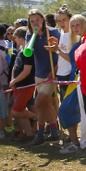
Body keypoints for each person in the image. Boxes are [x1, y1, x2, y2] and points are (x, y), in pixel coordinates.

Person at [26, 9, 61, 146]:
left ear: (43, 20)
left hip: (52, 74)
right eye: (32, 21)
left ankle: (40, 134)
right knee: (46, 105)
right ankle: (54, 133)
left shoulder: (53, 32)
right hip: (39, 74)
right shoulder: (30, 35)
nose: (35, 23)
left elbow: (61, 51)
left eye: (37, 20)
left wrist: (56, 69)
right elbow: (28, 52)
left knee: (38, 102)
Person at [54, 14, 86, 155]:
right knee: (65, 111)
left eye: (77, 25)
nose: (74, 28)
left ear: (84, 24)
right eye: (72, 26)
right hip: (74, 81)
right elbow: (70, 59)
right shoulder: (76, 43)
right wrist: (56, 50)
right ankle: (75, 143)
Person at [9, 27, 37, 142]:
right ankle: (28, 134)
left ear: (21, 38)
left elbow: (26, 72)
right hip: (18, 85)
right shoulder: (21, 50)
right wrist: (13, 81)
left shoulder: (28, 52)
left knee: (16, 111)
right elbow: (15, 68)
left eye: (16, 38)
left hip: (26, 86)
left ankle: (36, 117)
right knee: (21, 111)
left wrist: (14, 81)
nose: (15, 40)